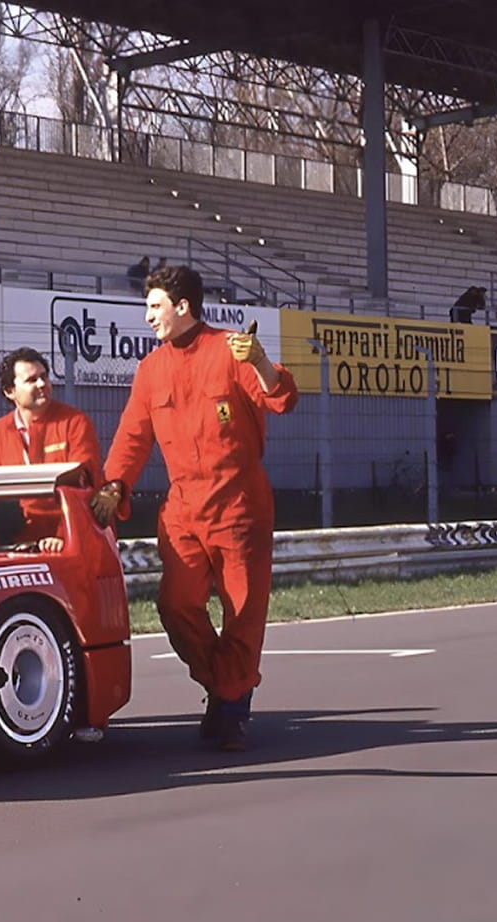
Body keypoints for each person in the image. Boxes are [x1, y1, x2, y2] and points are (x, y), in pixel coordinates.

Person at [90, 264, 298, 751]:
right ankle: (225, 688)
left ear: (183, 307)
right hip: (183, 509)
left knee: (243, 614)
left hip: (240, 508)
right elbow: (132, 437)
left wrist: (262, 362)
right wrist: (114, 484)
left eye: (154, 307)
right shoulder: (150, 370)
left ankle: (228, 711)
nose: (148, 318)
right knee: (175, 605)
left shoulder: (232, 352)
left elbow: (283, 399)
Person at [0, 347, 103, 551]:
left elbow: (86, 489)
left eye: (44, 377)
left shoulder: (75, 422)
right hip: (27, 542)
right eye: (32, 380)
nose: (42, 384)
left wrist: (62, 535)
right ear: (9, 391)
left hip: (75, 539)